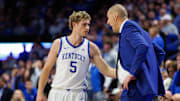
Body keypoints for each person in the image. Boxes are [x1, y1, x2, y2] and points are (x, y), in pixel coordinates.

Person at [36, 11, 116, 101]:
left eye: (88, 25)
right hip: (57, 92)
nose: (87, 28)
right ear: (74, 25)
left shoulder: (91, 48)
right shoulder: (59, 43)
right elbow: (46, 69)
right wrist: (40, 93)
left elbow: (107, 70)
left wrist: (124, 73)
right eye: (84, 25)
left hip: (77, 94)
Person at [106, 4, 166, 101]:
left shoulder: (128, 29)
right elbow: (159, 52)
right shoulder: (142, 31)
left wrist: (133, 73)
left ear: (115, 16)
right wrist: (149, 74)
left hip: (135, 88)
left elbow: (142, 46)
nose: (108, 22)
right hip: (143, 88)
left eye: (108, 18)